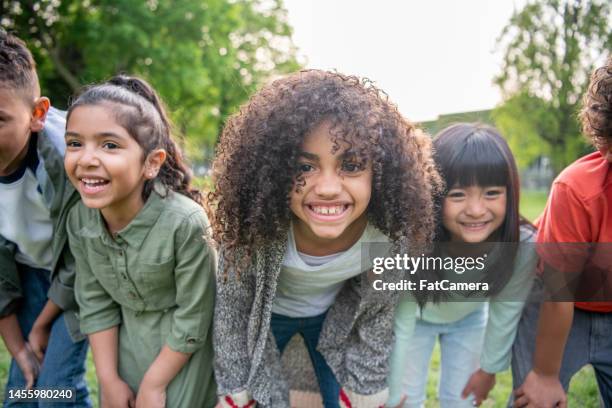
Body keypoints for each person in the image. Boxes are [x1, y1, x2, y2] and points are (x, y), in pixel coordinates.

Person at [208, 69, 441, 408]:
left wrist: (366, 389)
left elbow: (378, 315)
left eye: (352, 165)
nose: (329, 188)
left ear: (381, 172)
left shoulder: (389, 236)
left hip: (333, 320)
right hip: (268, 319)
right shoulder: (254, 227)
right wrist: (235, 390)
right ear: (272, 171)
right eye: (304, 167)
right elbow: (233, 311)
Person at [64, 75, 217, 408]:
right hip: (126, 346)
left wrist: (154, 384)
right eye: (75, 143)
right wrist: (108, 380)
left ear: (151, 163)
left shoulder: (186, 223)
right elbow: (95, 301)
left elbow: (195, 315)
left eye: (109, 145)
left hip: (182, 350)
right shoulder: (79, 220)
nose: (86, 159)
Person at [387, 123, 537, 408]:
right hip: (415, 318)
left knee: (461, 400)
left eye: (492, 193)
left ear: (511, 193)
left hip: (468, 319)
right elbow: (402, 320)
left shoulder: (522, 247)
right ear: (432, 195)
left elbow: (505, 310)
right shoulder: (413, 241)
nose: (476, 210)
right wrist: (392, 393)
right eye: (457, 195)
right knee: (405, 400)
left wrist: (489, 370)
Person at [512, 57, 612, 408]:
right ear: (606, 144)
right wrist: (545, 373)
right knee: (535, 398)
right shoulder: (577, 190)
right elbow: (559, 292)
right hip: (553, 302)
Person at [0, 30, 91, 407]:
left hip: (80, 273)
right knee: (21, 392)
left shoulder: (68, 160)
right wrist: (18, 346)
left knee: (56, 391)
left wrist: (41, 326)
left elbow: (82, 255)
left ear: (37, 114)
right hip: (24, 269)